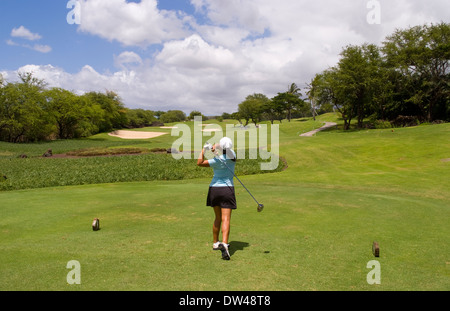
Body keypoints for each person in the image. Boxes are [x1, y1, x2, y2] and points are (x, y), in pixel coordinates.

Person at [197, 137, 236, 260]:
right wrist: (216, 149)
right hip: (227, 189)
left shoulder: (215, 161)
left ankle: (215, 243)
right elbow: (224, 150)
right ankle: (224, 243)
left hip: (214, 189)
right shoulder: (233, 156)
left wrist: (204, 149)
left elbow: (199, 163)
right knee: (226, 219)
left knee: (218, 217)